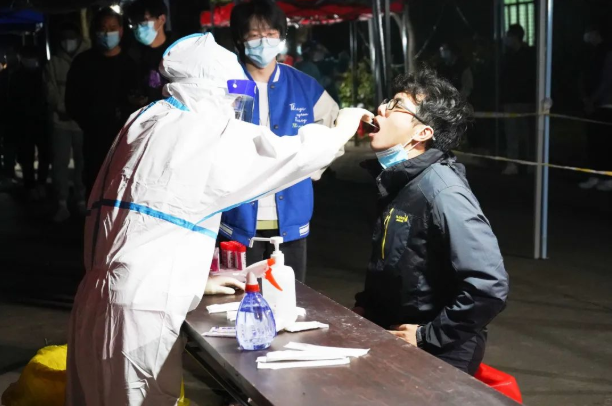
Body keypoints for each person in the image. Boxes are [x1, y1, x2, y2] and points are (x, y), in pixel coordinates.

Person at [65, 33, 369, 405]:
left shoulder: (147, 119)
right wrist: (340, 131)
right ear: (211, 90)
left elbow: (146, 223)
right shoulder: (202, 131)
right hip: (141, 311)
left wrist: (196, 280)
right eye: (231, 97)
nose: (234, 107)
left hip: (98, 297)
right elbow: (285, 156)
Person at [353, 67, 509, 376]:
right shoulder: (400, 181)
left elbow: (489, 285)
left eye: (396, 105)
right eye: (387, 101)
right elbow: (396, 263)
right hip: (396, 334)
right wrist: (366, 307)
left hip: (440, 351)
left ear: (422, 133)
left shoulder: (443, 192)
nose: (382, 109)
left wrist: (428, 336)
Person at [224, 0, 340, 283]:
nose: (263, 41)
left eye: (270, 34)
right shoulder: (225, 84)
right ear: (239, 38)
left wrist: (310, 170)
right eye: (254, 35)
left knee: (290, 296)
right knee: (237, 299)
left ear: (281, 36)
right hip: (236, 219)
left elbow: (334, 132)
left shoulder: (304, 85)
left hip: (291, 217)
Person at [65, 7, 137, 195]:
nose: (107, 34)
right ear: (95, 31)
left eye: (112, 28)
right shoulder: (83, 63)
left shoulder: (132, 64)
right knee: (96, 189)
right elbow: (72, 102)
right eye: (103, 29)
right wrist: (93, 120)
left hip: (127, 141)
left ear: (121, 30)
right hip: (94, 141)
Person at [45, 22, 89, 222]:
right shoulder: (53, 62)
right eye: (64, 38)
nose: (67, 41)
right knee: (60, 163)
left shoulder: (87, 59)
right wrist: (63, 109)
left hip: (82, 122)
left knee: (83, 162)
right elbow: (50, 90)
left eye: (71, 37)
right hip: (60, 121)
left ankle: (82, 199)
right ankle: (62, 202)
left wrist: (78, 111)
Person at [8, 46, 50, 200]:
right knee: (28, 156)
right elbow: (12, 101)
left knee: (43, 154)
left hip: (40, 120)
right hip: (25, 122)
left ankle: (39, 183)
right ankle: (31, 185)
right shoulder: (17, 76)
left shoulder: (42, 73)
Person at [579, 25, 612, 192]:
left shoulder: (607, 53)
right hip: (593, 104)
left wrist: (592, 99)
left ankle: (608, 178)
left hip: (606, 104)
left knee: (605, 143)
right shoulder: (591, 53)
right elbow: (584, 77)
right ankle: (595, 175)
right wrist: (586, 98)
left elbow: (606, 81)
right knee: (594, 142)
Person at [500, 24, 536, 175]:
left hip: (526, 100)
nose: (506, 39)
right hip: (510, 100)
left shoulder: (528, 55)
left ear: (515, 37)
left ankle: (531, 164)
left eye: (509, 35)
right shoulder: (507, 55)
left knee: (528, 134)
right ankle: (513, 163)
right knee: (511, 134)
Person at [126, 0, 174, 107]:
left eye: (143, 22)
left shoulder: (178, 50)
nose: (139, 28)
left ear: (162, 19)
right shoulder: (133, 56)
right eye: (134, 24)